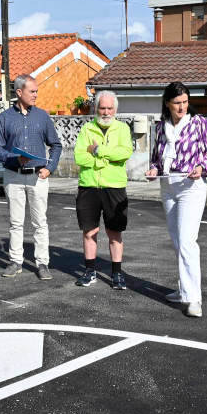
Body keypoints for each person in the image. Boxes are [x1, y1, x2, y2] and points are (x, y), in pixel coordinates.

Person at [144, 82, 207, 318]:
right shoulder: (161, 127)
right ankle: (183, 289)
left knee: (187, 241)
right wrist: (153, 170)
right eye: (177, 103)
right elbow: (157, 158)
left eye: (185, 102)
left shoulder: (199, 124)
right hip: (168, 186)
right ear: (167, 103)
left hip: (191, 187)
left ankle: (194, 299)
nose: (182, 107)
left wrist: (200, 167)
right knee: (178, 241)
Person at [0, 75, 62, 280]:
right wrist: (15, 158)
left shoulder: (42, 116)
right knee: (16, 222)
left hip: (38, 176)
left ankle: (42, 263)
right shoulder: (4, 118)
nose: (36, 95)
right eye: (32, 91)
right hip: (13, 176)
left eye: (36, 91)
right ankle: (16, 262)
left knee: (40, 222)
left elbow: (56, 145)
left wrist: (50, 168)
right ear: (19, 92)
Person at [73, 90, 133, 290]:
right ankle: (90, 272)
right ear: (96, 108)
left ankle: (117, 274)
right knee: (89, 231)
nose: (106, 112)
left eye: (109, 108)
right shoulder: (86, 129)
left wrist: (98, 151)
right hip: (88, 186)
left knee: (114, 232)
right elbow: (80, 157)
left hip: (114, 187)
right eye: (102, 108)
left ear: (115, 109)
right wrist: (105, 161)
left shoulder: (123, 129)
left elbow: (124, 153)